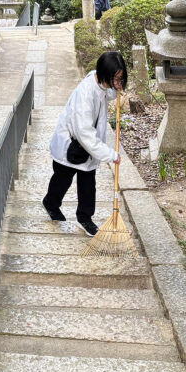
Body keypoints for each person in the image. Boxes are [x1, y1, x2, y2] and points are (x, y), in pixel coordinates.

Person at [43, 50, 127, 236]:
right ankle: (51, 203)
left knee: (88, 183)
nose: (117, 81)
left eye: (119, 78)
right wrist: (110, 155)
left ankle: (85, 217)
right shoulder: (85, 93)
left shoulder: (100, 83)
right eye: (115, 78)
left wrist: (116, 88)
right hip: (71, 144)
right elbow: (85, 133)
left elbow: (107, 93)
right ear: (105, 74)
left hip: (87, 146)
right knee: (62, 179)